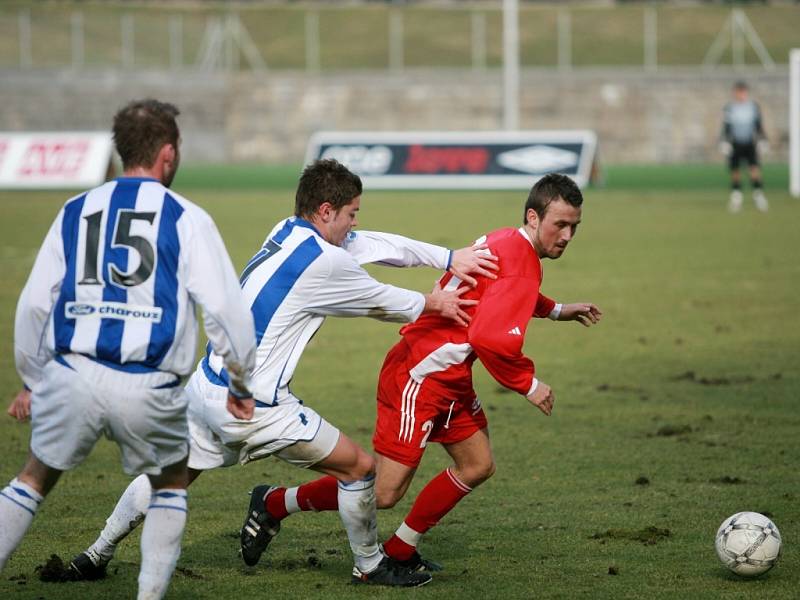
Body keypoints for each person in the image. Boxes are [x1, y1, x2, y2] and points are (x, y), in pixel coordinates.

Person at [66, 158, 499, 588]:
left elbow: (376, 245)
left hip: (207, 385)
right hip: (255, 407)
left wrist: (447, 257)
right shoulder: (324, 264)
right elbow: (380, 301)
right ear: (327, 211)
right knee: (361, 470)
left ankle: (95, 553)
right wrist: (431, 302)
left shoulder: (287, 230)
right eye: (352, 214)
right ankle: (369, 564)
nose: (354, 225)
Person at [241, 173, 602, 578]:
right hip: (420, 376)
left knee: (477, 464)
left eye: (575, 226)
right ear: (533, 218)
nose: (568, 235)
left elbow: (506, 292)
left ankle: (400, 548)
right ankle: (274, 503)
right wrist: (528, 384)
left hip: (450, 377)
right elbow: (490, 338)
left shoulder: (506, 240)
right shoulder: (521, 263)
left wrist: (555, 310)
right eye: (561, 224)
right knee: (383, 491)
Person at [0, 99, 257, 600]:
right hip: (149, 382)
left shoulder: (75, 210)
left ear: (120, 153)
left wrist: (32, 379)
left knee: (32, 479)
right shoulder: (187, 217)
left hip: (73, 374)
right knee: (170, 485)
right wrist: (240, 381)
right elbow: (226, 311)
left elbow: (33, 306)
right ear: (168, 153)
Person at [719, 80, 769, 213]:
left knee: (754, 169)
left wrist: (763, 139)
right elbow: (726, 126)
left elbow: (758, 124)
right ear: (735, 93)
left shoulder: (752, 107)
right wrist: (724, 141)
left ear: (746, 93)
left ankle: (758, 195)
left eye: (743, 92)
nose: (740, 94)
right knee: (735, 171)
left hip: (749, 143)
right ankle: (736, 197)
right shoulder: (730, 108)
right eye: (738, 92)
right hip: (736, 143)